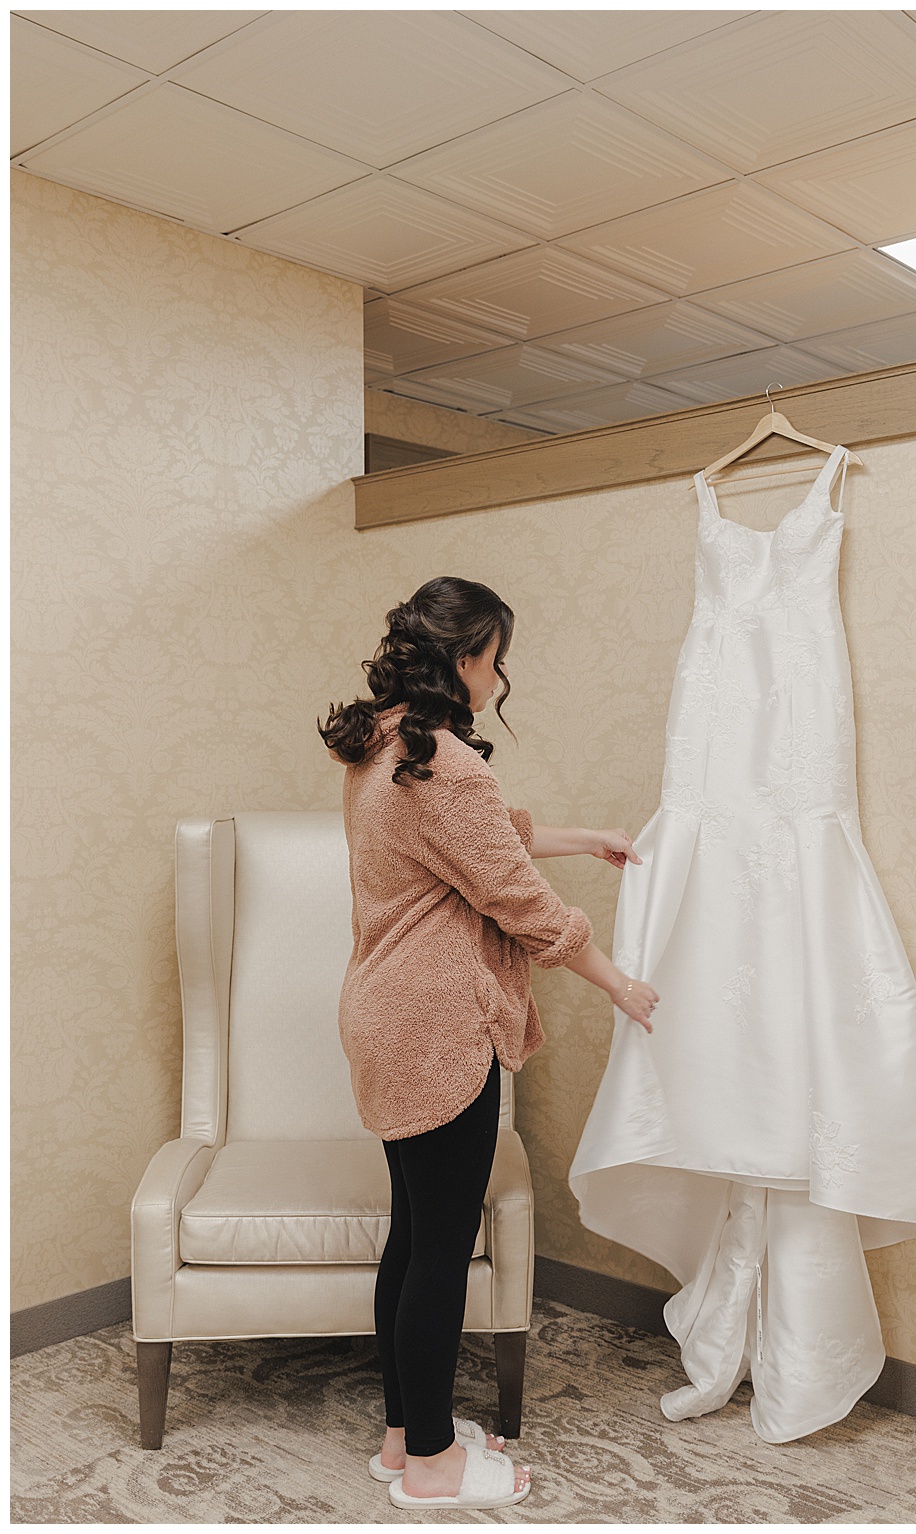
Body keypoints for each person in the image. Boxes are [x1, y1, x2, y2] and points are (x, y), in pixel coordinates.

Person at [320, 576, 660, 1511]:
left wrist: (587, 836)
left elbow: (482, 844)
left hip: (381, 1014)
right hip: (437, 1026)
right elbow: (519, 902)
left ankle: (402, 1439)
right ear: (465, 658)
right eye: (495, 658)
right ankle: (432, 1466)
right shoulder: (447, 767)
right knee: (439, 1251)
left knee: (415, 1236)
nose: (497, 675)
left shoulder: (384, 745)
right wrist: (621, 985)